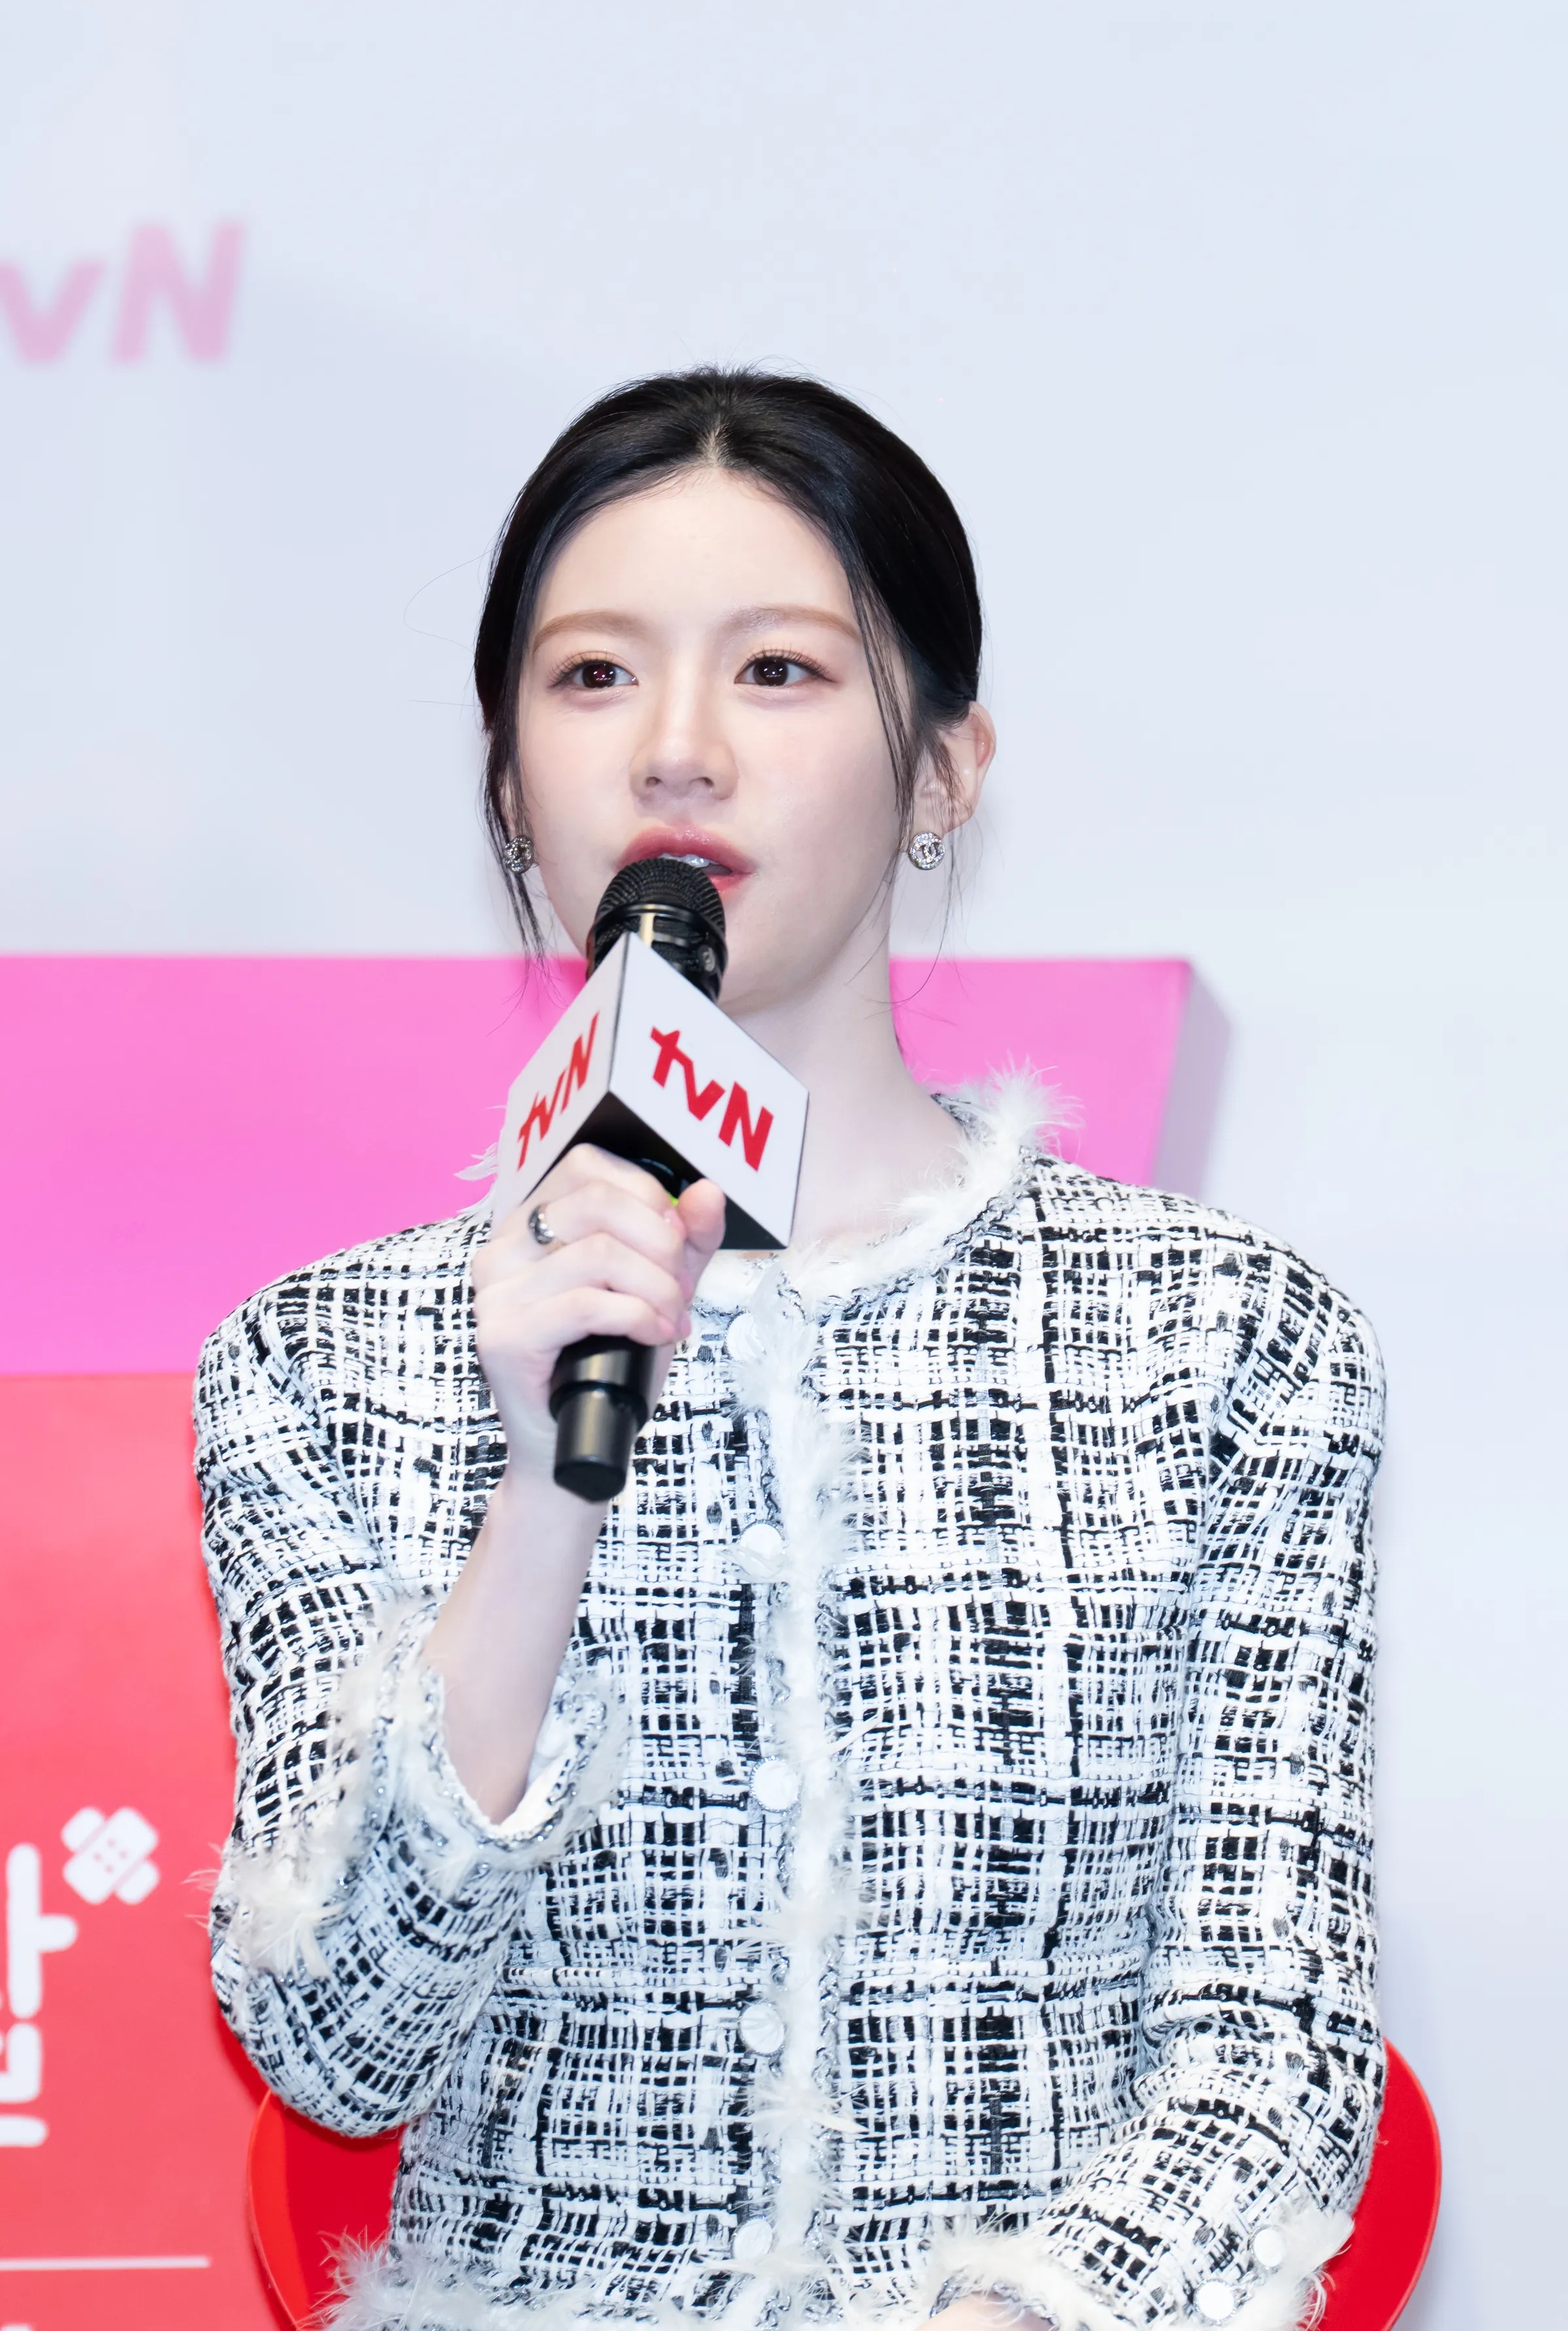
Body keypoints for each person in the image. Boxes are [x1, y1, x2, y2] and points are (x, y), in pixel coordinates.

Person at [196, 370, 1383, 2331]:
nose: (677, 752)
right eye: (593, 677)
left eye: (778, 672)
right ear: (509, 776)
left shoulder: (1220, 1346)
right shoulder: (324, 1366)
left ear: (946, 770)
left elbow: (1275, 2061)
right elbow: (336, 2044)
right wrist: (539, 1495)